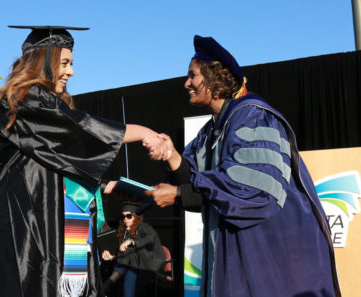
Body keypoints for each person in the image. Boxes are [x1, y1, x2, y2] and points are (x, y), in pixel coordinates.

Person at [145, 35, 342, 297]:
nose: (186, 83)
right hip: (230, 257)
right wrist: (172, 156)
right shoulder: (210, 132)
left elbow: (251, 192)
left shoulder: (254, 117)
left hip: (263, 256)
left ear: (214, 79)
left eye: (192, 76)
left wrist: (179, 195)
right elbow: (198, 185)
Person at [0, 26, 168, 297]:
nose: (71, 72)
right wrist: (143, 133)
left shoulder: (43, 104)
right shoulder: (24, 99)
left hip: (44, 215)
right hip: (29, 220)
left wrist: (106, 186)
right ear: (43, 62)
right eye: (65, 63)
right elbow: (80, 130)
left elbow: (55, 162)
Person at [101, 203, 165, 297]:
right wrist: (108, 253)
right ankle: (111, 282)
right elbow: (120, 248)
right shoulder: (124, 230)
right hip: (132, 264)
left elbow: (148, 240)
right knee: (129, 266)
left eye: (129, 216)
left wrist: (130, 241)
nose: (125, 219)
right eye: (123, 216)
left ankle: (108, 283)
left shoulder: (145, 227)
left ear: (136, 216)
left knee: (129, 264)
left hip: (149, 262)